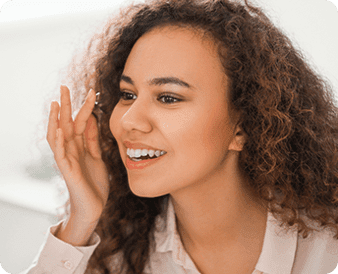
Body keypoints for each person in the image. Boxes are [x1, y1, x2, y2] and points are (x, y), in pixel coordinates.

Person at [22, 0, 338, 273]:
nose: (129, 121)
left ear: (243, 126)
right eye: (128, 95)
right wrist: (81, 221)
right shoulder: (117, 250)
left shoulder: (327, 249)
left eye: (168, 98)